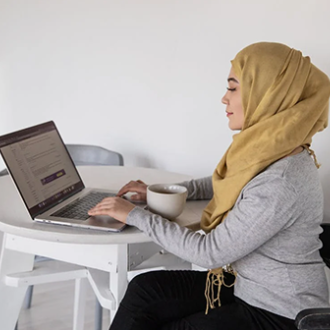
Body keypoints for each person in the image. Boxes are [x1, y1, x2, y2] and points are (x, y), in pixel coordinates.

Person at [88, 42, 330, 330]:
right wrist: (164, 191)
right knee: (147, 289)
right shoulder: (274, 149)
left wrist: (134, 215)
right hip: (250, 287)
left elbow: (209, 253)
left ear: (265, 95)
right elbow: (231, 183)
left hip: (280, 314)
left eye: (233, 88)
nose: (224, 99)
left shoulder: (280, 182)